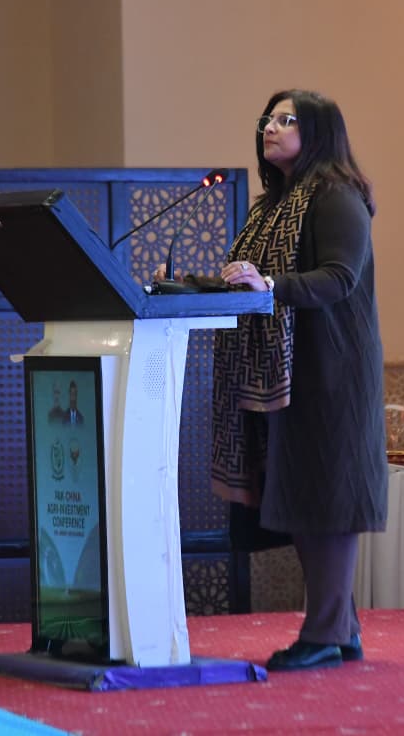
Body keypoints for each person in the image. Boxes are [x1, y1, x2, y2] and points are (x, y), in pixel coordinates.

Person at [159, 89, 387, 671]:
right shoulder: (272, 206)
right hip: (282, 371)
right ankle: (341, 630)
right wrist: (185, 284)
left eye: (288, 120)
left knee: (325, 500)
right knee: (304, 497)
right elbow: (252, 282)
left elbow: (338, 277)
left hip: (329, 371)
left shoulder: (336, 196)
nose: (271, 127)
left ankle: (325, 632)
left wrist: (270, 286)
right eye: (269, 118)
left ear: (320, 133)